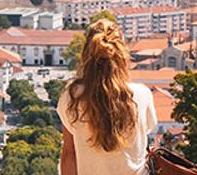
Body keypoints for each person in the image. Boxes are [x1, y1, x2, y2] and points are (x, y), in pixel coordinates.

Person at [57, 18, 159, 175]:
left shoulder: (72, 96)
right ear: (122, 55)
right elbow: (146, 134)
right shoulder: (142, 95)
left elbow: (69, 155)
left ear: (86, 54)